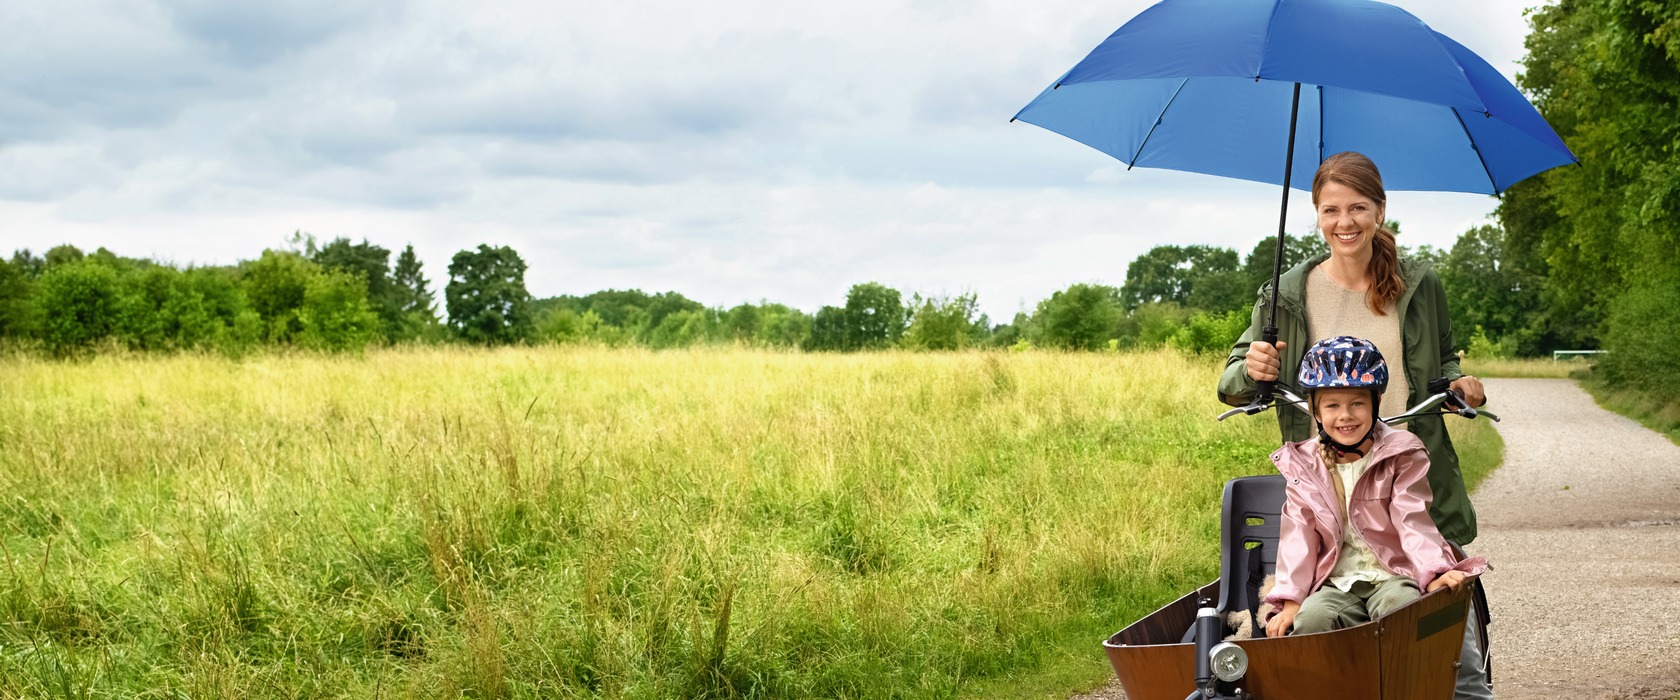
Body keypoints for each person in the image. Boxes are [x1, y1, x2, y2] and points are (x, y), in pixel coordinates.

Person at [1219, 152, 1494, 697]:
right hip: (1328, 468)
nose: (1344, 222)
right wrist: (1252, 369)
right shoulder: (1286, 292)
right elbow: (1234, 378)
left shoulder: (1420, 284)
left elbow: (1441, 363)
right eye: (1331, 209)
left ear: (1380, 210)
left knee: (1439, 630)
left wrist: (1460, 384)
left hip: (1407, 460)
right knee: (1320, 615)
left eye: (1358, 208)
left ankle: (1464, 690)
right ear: (1317, 215)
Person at [1262, 336, 1487, 639]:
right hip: (1335, 580)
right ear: (1315, 411)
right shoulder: (1305, 465)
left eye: (1357, 402)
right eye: (1332, 405)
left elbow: (1412, 518)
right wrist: (1291, 600)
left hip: (1393, 574)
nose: (1345, 415)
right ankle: (1335, 686)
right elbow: (1298, 536)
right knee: (1312, 621)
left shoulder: (1400, 453)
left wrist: (1433, 571)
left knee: (1403, 609)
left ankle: (1406, 683)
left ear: (1376, 403)